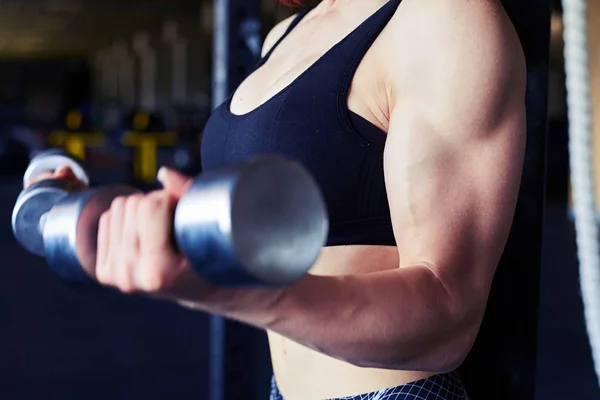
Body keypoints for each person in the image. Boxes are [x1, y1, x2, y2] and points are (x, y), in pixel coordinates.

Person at [30, 0, 526, 398]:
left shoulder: (445, 18)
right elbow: (237, 213)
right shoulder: (285, 34)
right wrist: (104, 214)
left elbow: (448, 318)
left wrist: (224, 288)